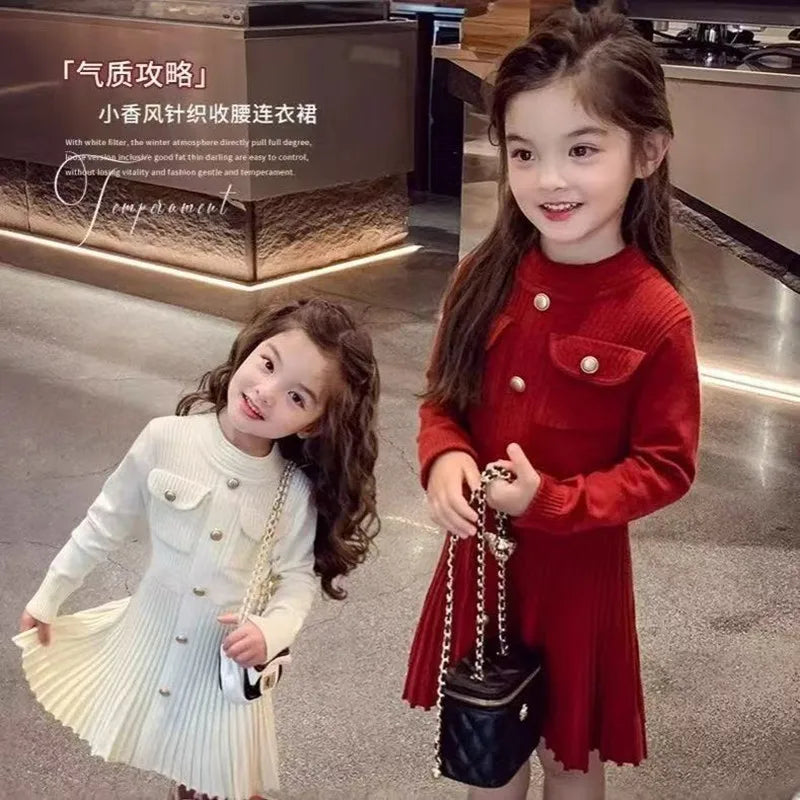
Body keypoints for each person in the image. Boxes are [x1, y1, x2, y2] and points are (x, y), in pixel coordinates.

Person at [403, 4, 701, 800]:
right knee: (485, 746)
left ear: (648, 151)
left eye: (583, 150)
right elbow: (443, 401)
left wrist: (555, 501)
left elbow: (666, 466)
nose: (550, 180)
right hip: (480, 568)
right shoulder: (482, 275)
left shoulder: (655, 312)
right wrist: (446, 460)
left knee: (572, 758)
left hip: (579, 575)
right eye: (524, 153)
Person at [15, 298, 380, 800]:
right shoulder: (165, 438)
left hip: (222, 664)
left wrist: (270, 631)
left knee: (229, 784)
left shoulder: (292, 490)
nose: (265, 392)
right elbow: (105, 522)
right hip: (151, 642)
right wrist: (48, 595)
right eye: (267, 364)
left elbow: (295, 578)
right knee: (184, 769)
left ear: (314, 424)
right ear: (249, 350)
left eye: (297, 397)